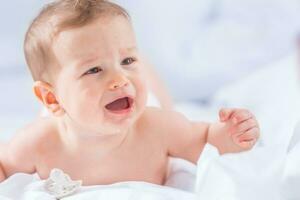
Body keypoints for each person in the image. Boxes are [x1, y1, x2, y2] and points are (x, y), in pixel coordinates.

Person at [0, 0, 259, 185]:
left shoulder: (159, 127)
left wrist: (229, 134)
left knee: (153, 94)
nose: (118, 79)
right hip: (69, 111)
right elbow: (5, 164)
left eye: (126, 61)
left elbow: (202, 140)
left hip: (144, 104)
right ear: (51, 98)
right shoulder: (40, 142)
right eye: (93, 70)